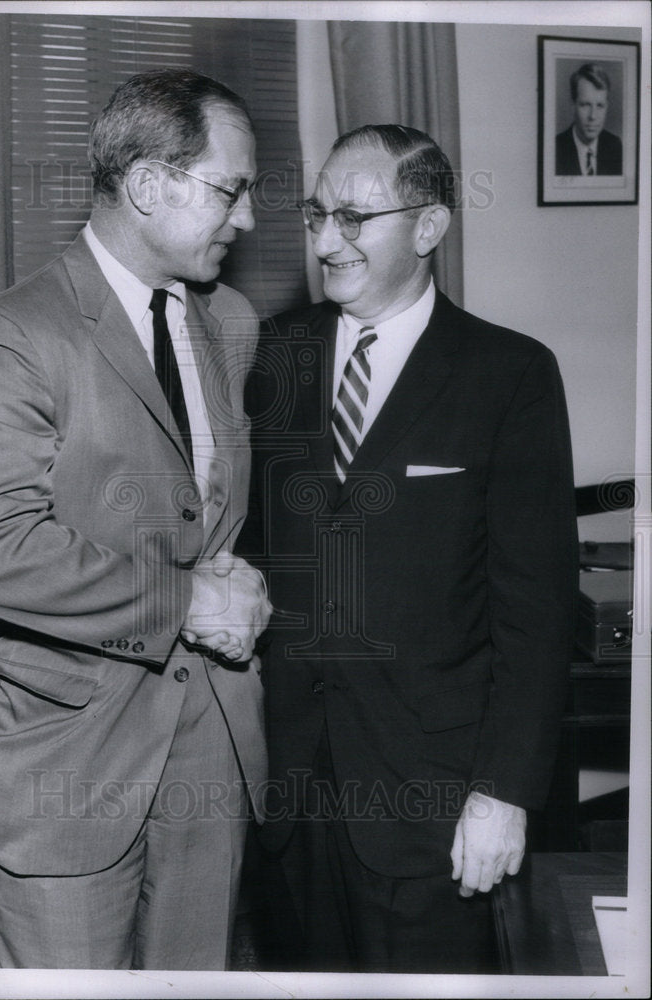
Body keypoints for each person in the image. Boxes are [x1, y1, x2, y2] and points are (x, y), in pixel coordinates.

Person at [0, 69, 271, 970]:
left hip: (209, 749)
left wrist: (233, 582)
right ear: (149, 184)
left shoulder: (230, 323)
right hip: (65, 767)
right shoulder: (13, 334)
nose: (245, 220)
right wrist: (189, 601)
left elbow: (203, 513)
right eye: (230, 190)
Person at [240, 124, 578, 973]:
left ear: (428, 228)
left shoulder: (509, 374)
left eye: (354, 218)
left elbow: (536, 611)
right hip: (291, 798)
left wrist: (500, 793)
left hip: (433, 802)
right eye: (317, 215)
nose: (324, 241)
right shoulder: (272, 357)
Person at [555, 63, 623, 175]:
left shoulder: (615, 147)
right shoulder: (555, 149)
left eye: (600, 105)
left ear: (607, 106)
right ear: (573, 104)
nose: (593, 116)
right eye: (585, 105)